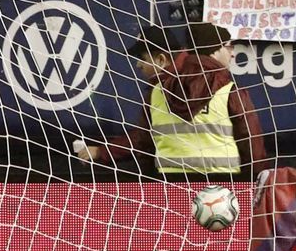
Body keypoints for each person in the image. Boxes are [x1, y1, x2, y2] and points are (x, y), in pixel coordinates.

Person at [74, 25, 267, 178]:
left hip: (169, 187)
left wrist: (106, 153)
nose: (233, 53)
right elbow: (251, 144)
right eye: (229, 46)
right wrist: (257, 185)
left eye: (142, 58)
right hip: (223, 188)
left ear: (161, 59)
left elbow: (143, 141)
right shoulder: (229, 90)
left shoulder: (158, 92)